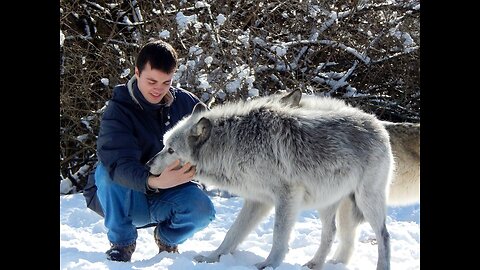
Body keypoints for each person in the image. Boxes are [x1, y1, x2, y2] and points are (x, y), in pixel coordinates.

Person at [83, 39, 216, 262]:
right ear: (137, 72)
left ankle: (167, 239)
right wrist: (155, 181)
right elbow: (118, 164)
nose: (158, 89)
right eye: (152, 81)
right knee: (106, 173)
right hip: (124, 199)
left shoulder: (185, 103)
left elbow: (215, 137)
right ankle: (122, 244)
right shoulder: (118, 110)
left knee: (203, 209)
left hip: (169, 194)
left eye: (166, 82)